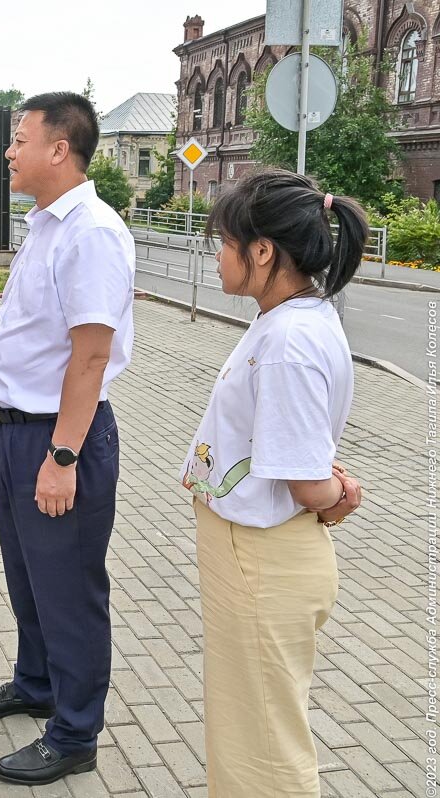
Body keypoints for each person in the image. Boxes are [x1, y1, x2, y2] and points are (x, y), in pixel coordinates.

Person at [0, 92, 135, 785]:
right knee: (29, 578)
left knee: (68, 588)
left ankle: (75, 731)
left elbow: (90, 357)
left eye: (20, 139)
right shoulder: (47, 225)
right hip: (14, 430)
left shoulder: (91, 230)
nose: (8, 152)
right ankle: (36, 683)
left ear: (59, 148)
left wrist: (62, 456)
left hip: (57, 439)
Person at [181, 170, 365, 796]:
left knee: (266, 744)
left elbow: (306, 482)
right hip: (255, 552)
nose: (216, 254)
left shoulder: (289, 339)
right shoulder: (293, 318)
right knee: (249, 726)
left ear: (262, 251)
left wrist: (341, 496)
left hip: (261, 555)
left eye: (224, 241)